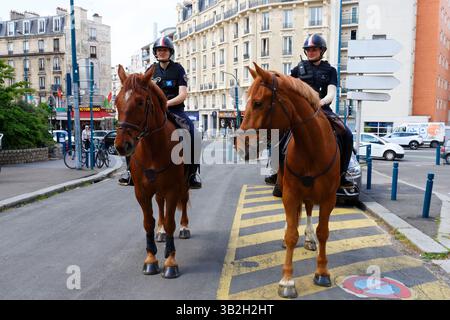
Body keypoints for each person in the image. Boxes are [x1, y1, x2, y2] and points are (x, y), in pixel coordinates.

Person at [269, 34, 356, 196]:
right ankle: (277, 174)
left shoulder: (330, 70)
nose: (311, 52)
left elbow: (331, 93)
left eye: (314, 49)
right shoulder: (297, 70)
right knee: (276, 136)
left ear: (321, 50)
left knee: (347, 134)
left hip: (323, 109)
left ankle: (341, 176)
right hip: (300, 112)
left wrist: (321, 102)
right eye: (308, 49)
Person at [150, 36, 202, 189]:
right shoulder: (151, 70)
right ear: (155, 53)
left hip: (175, 110)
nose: (162, 52)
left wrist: (166, 103)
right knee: (133, 132)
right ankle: (129, 172)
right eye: (159, 50)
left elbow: (183, 94)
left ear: (170, 52)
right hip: (154, 111)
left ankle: (192, 174)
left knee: (194, 134)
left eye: (165, 50)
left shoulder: (178, 69)